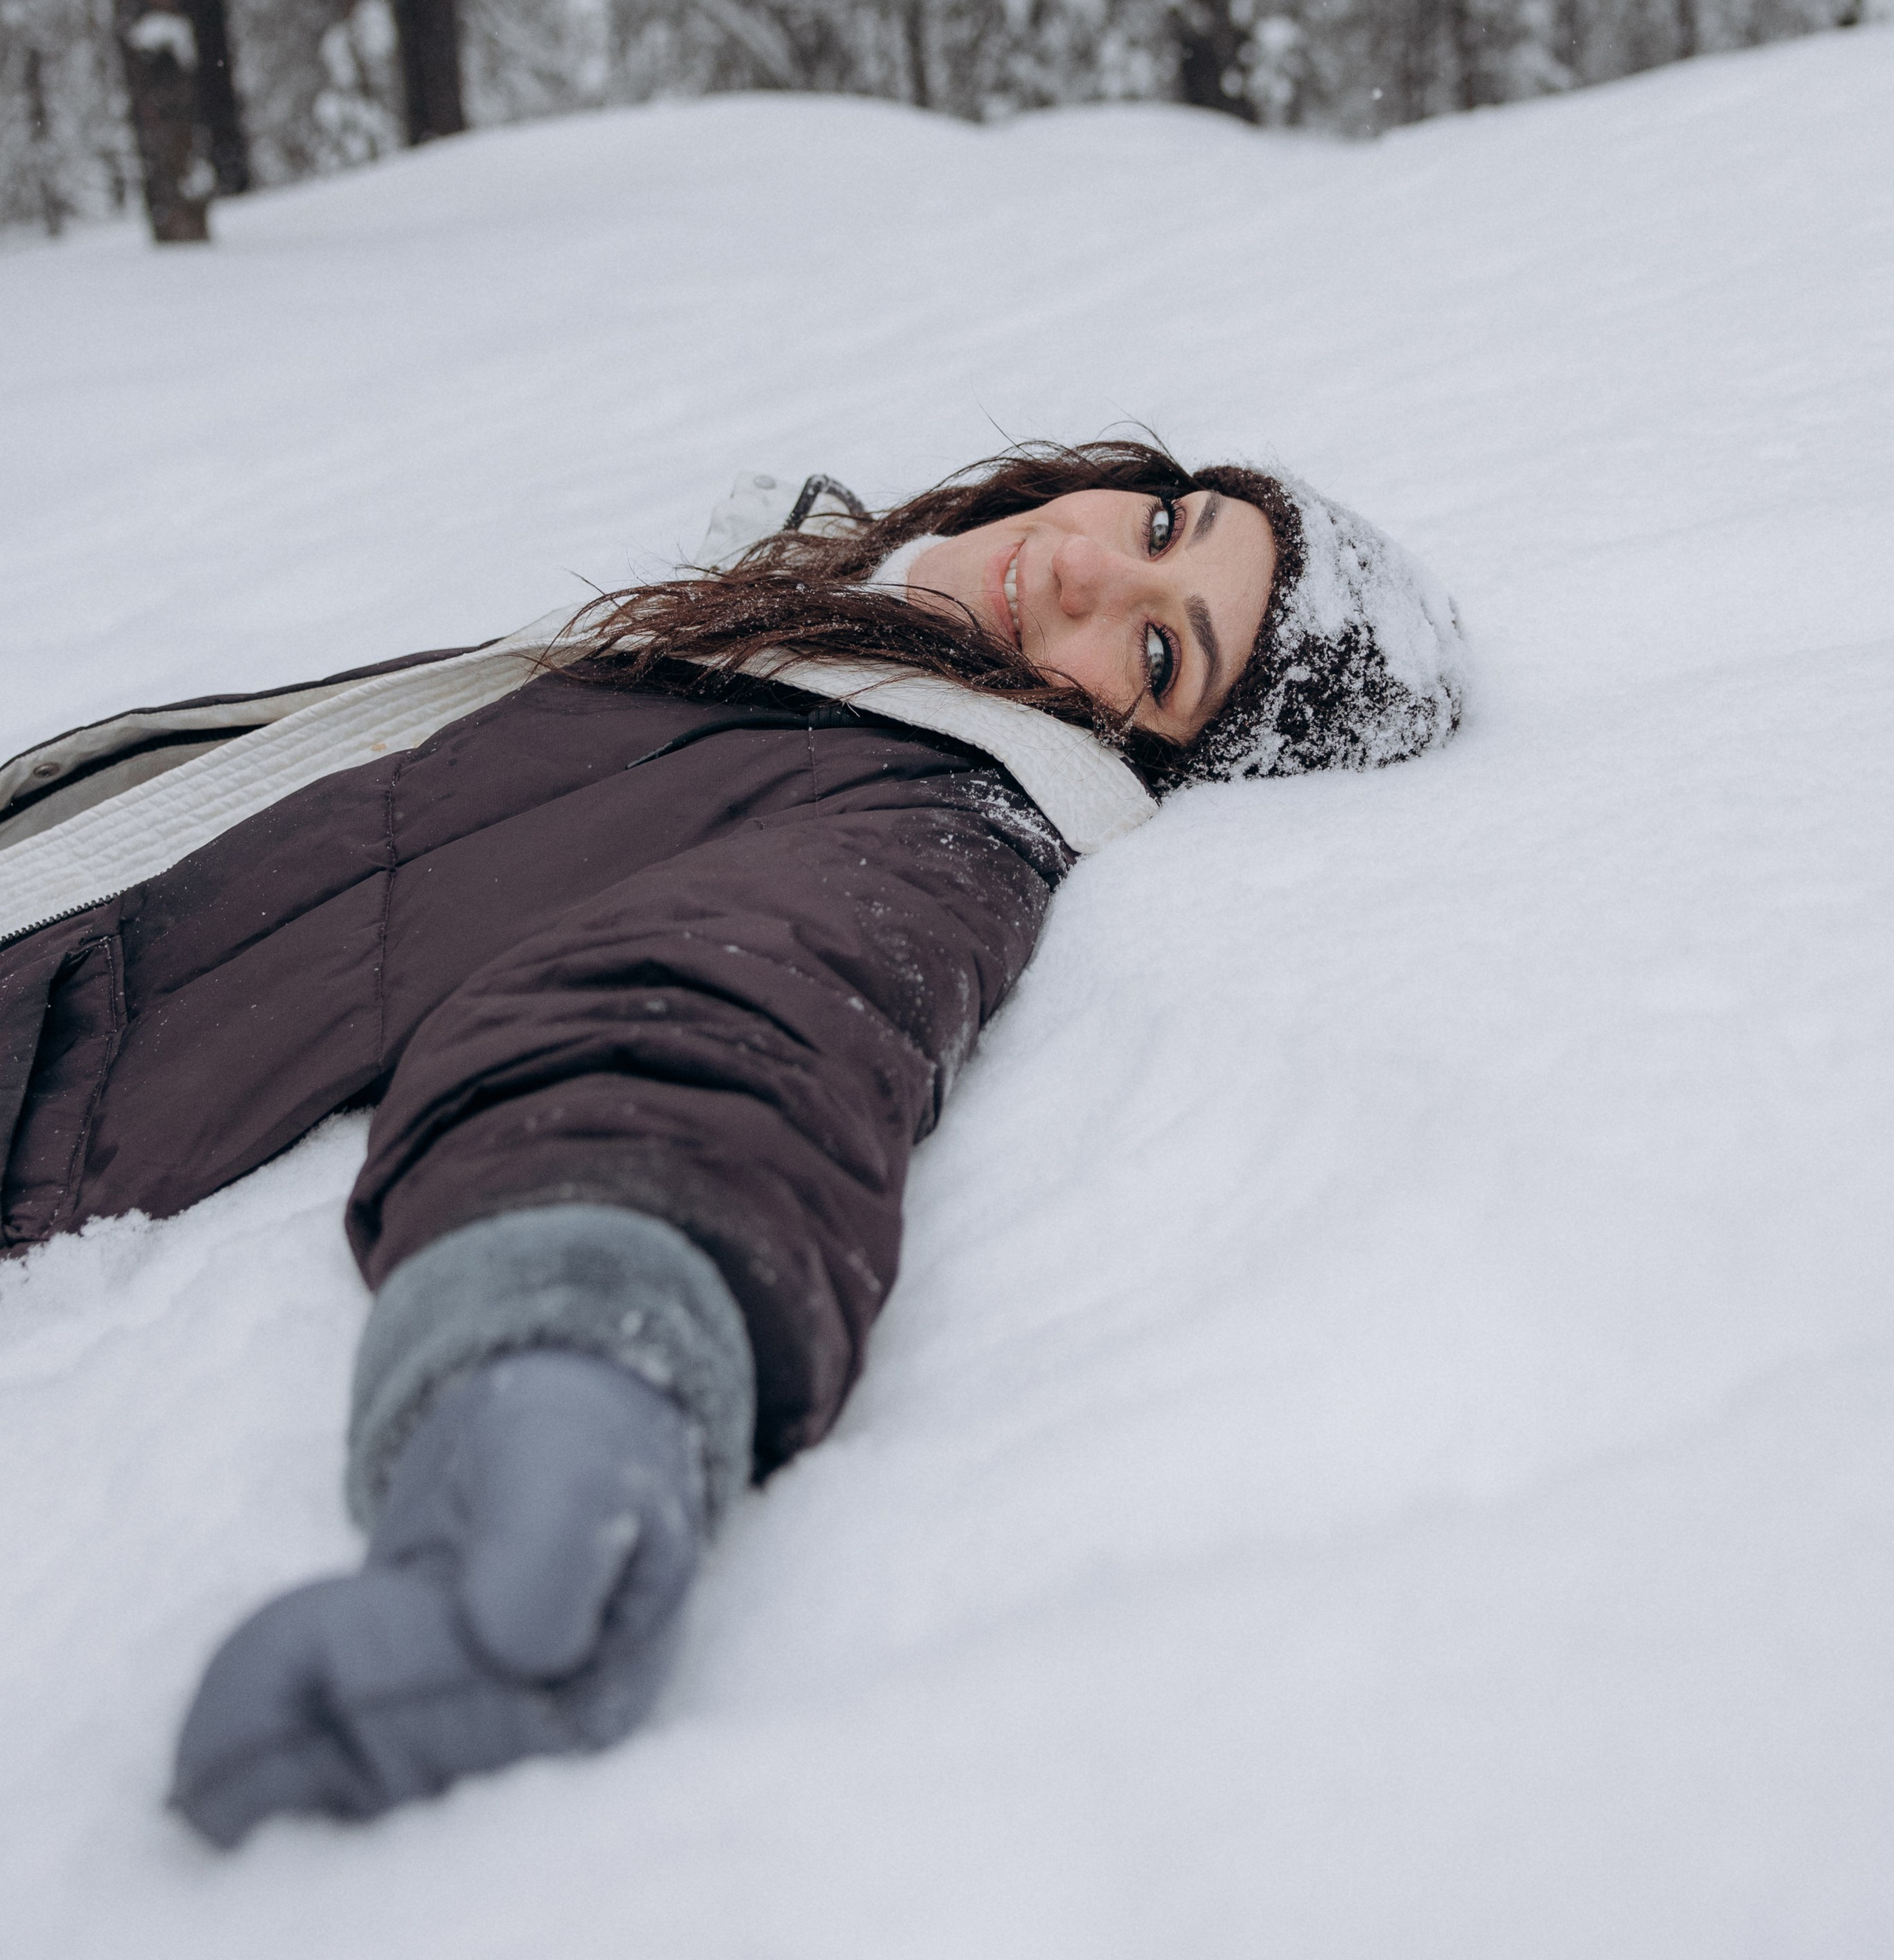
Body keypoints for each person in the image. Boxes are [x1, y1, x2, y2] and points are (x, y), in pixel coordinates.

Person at [0, 440, 1464, 1846]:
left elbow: (719, 1014)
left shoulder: (932, 815)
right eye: (1164, 523)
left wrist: (582, 1373)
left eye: (1159, 657)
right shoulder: (833, 642)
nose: (1087, 566)